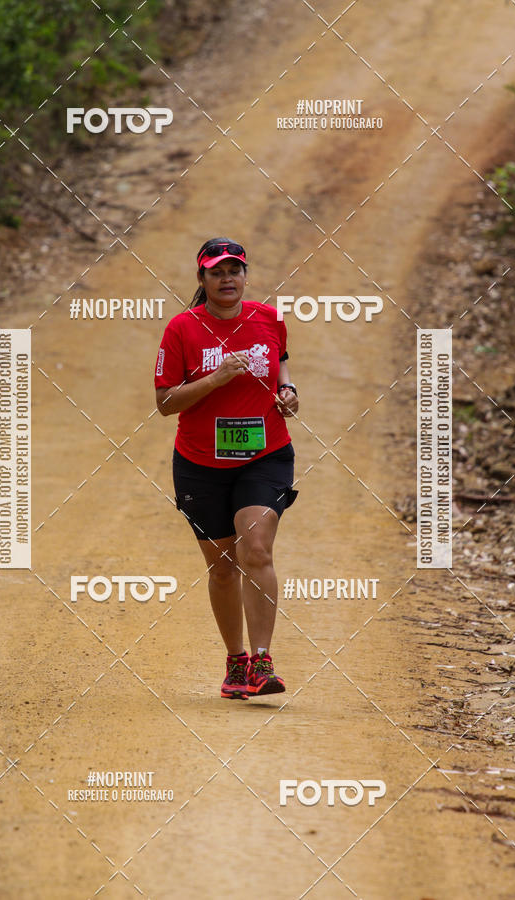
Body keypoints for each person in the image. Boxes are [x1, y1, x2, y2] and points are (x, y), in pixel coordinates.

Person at [154, 237, 299, 700]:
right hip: (200, 462)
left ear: (244, 275)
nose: (227, 278)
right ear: (202, 279)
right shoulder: (182, 329)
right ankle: (236, 662)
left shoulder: (270, 319)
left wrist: (289, 393)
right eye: (216, 272)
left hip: (265, 454)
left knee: (255, 546)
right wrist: (216, 378)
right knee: (222, 567)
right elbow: (164, 403)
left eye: (234, 270)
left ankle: (262, 660)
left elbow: (281, 369)